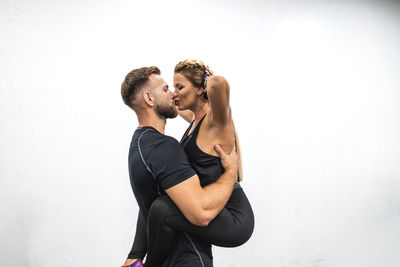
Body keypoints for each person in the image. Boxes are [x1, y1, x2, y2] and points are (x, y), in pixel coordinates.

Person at [127, 60, 255, 266]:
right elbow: (172, 107)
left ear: (199, 89)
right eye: (171, 87)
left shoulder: (216, 122)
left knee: (161, 209)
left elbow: (220, 85)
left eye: (179, 87)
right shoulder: (195, 119)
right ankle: (136, 260)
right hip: (216, 206)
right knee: (159, 201)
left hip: (235, 218)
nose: (174, 93)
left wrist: (206, 78)